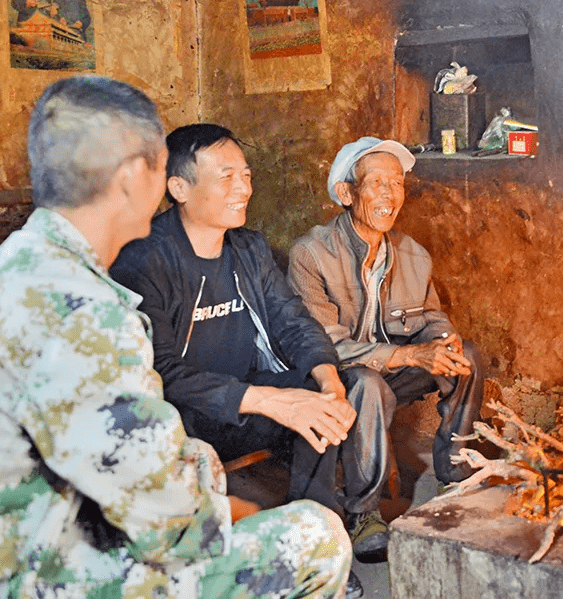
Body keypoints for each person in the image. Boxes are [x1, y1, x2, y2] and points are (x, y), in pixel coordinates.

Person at [0, 76, 350, 598]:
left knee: (203, 461)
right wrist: (220, 506)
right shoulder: (88, 310)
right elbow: (170, 516)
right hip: (44, 576)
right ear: (136, 176)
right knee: (316, 537)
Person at [109, 124, 371, 597]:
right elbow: (160, 372)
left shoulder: (247, 249)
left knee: (326, 401)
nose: (244, 188)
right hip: (181, 418)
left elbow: (293, 321)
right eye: (226, 176)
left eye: (246, 175)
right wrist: (271, 400)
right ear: (179, 188)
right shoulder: (145, 261)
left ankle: (309, 543)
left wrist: (328, 383)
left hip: (244, 403)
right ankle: (224, 563)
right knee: (287, 406)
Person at [287, 137, 486, 505]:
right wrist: (412, 356)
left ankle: (456, 472)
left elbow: (430, 317)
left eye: (396, 183)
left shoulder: (412, 253)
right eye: (377, 183)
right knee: (367, 383)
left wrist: (446, 341)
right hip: (338, 379)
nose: (390, 195)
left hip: (390, 374)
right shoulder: (311, 255)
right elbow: (327, 347)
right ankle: (365, 509)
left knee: (468, 357)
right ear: (347, 193)